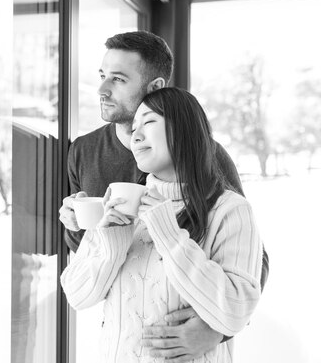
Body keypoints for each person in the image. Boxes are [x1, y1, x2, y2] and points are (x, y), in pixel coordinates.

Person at [59, 31, 268, 359]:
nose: (102, 89)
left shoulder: (214, 171)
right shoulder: (83, 151)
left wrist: (215, 330)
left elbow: (252, 265)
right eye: (101, 76)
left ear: (156, 88)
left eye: (118, 78)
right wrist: (84, 227)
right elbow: (82, 281)